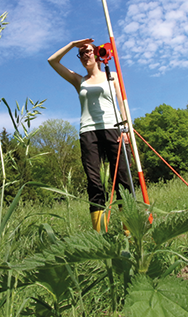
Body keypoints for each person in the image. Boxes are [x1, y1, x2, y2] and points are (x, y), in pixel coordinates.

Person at [48, 38, 133, 232]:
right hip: (89, 132)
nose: (85, 55)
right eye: (82, 53)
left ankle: (129, 231)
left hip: (114, 129)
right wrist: (72, 44)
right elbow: (52, 61)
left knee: (122, 180)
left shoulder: (113, 78)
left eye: (88, 51)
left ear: (97, 53)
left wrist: (126, 129)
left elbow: (122, 105)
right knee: (94, 183)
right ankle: (100, 235)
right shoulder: (79, 81)